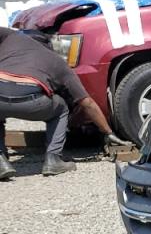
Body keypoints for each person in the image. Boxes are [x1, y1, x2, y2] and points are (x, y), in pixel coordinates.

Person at [0, 26, 126, 179]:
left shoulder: (12, 37)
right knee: (61, 109)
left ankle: (1, 161)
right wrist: (108, 132)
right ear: (49, 46)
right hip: (31, 101)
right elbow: (86, 103)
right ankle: (53, 159)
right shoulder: (58, 62)